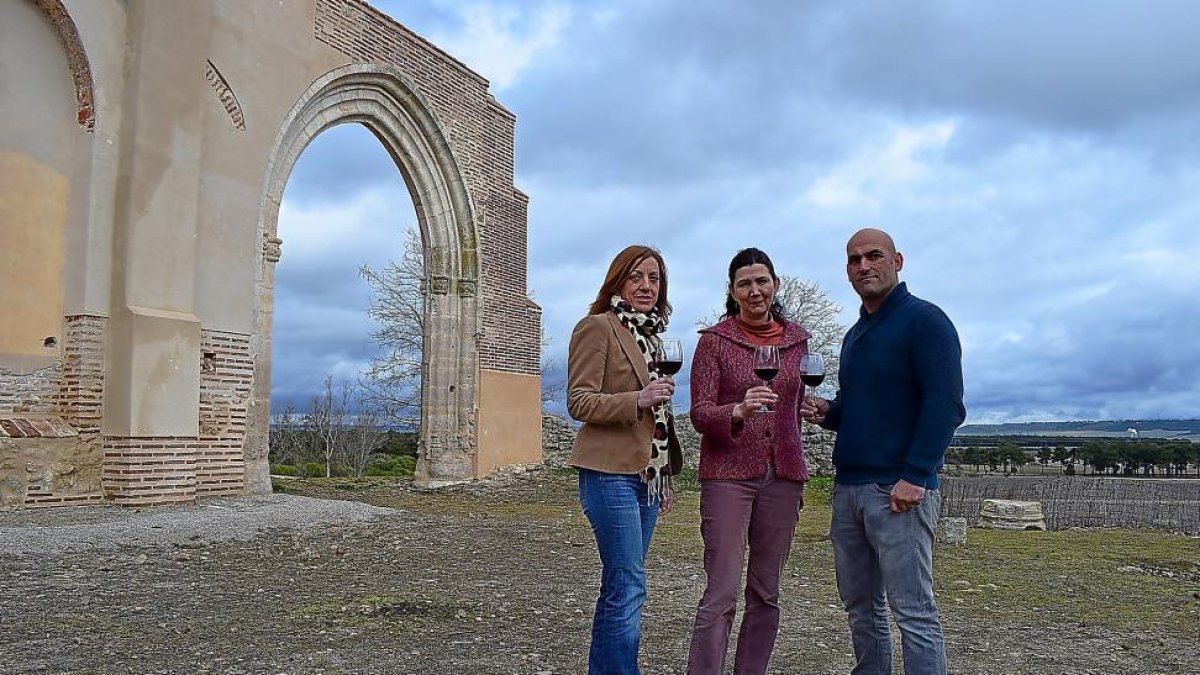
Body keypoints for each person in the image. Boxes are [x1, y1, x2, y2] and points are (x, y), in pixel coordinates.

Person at [800, 228, 965, 675]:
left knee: (913, 612)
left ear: (898, 260)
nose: (863, 266)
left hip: (898, 490)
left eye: (874, 256)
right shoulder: (856, 335)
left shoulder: (925, 321)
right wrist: (828, 412)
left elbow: (945, 404)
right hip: (848, 489)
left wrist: (915, 475)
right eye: (854, 260)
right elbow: (860, 408)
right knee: (861, 607)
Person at [686, 247, 811, 675]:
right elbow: (700, 413)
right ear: (733, 290)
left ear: (775, 284)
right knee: (720, 593)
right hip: (727, 477)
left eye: (762, 281)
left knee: (767, 592)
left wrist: (806, 410)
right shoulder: (714, 342)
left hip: (784, 476)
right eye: (745, 283)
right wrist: (736, 411)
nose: (755, 291)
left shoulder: (798, 340)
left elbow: (791, 406)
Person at [567, 244, 684, 675]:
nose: (646, 286)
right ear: (618, 280)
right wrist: (638, 397)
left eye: (654, 278)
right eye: (636, 276)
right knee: (630, 585)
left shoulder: (654, 337)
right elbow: (579, 401)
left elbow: (659, 419)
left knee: (620, 584)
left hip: (645, 478)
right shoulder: (597, 327)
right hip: (606, 474)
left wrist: (663, 471)